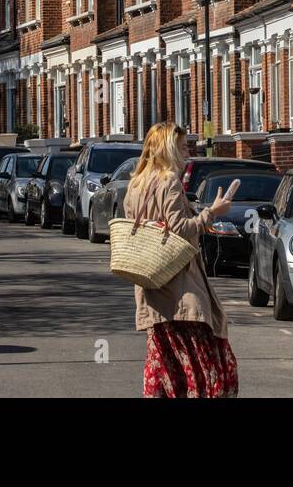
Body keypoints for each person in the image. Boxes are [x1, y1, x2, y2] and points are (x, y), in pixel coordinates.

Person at [123, 121, 239, 398]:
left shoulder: (136, 183)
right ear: (168, 147)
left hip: (151, 284)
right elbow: (180, 229)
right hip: (179, 288)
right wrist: (212, 212)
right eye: (183, 146)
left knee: (166, 366)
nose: (188, 152)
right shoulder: (168, 181)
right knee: (203, 366)